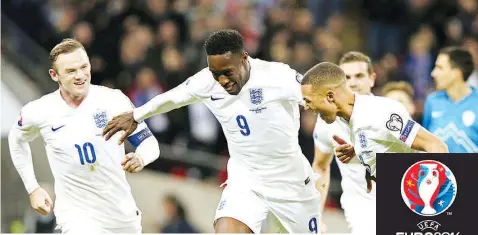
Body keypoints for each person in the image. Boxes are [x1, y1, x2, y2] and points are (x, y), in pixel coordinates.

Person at [102, 29, 321, 234]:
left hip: (291, 182)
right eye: (216, 74)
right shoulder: (207, 82)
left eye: (228, 72)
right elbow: (172, 98)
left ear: (244, 58)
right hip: (246, 180)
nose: (223, 80)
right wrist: (136, 116)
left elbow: (321, 98)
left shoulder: (277, 76)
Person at [8, 38, 160, 233]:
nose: (80, 75)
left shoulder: (113, 101)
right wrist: (33, 188)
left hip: (121, 216)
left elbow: (150, 143)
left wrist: (141, 157)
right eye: (71, 71)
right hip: (76, 217)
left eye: (84, 67)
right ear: (54, 75)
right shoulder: (39, 111)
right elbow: (16, 138)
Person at [301, 62, 448, 182]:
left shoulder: (381, 113)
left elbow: (435, 145)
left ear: (330, 97)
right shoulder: (347, 119)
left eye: (308, 101)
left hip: (419, 204)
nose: (307, 107)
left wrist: (436, 195)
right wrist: (361, 152)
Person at [311, 51, 377, 234]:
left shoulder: (389, 113)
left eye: (359, 76)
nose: (353, 82)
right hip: (359, 208)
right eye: (347, 77)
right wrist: (316, 214)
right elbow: (321, 166)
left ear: (371, 79)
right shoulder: (326, 122)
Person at [421, 46, 478, 232]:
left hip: (475, 200)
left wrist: (464, 171)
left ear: (456, 72)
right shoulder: (432, 102)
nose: (433, 73)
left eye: (439, 67)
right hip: (437, 198)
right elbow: (425, 144)